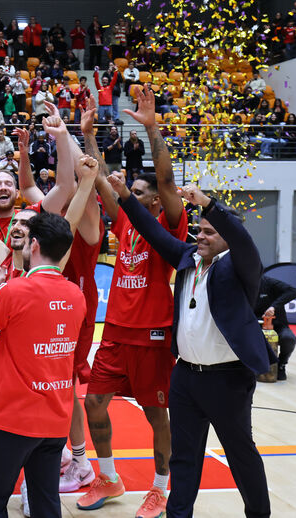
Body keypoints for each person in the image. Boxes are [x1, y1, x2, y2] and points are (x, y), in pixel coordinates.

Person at [107, 177, 274, 518]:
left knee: (240, 454)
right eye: (200, 229)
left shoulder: (243, 266)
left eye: (210, 231)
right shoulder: (187, 257)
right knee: (183, 456)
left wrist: (209, 203)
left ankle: (259, 514)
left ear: (226, 237)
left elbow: (242, 240)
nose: (201, 235)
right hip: (185, 377)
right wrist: (124, 195)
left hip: (228, 380)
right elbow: (153, 233)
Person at [80, 86, 189, 518]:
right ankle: (108, 477)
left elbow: (165, 181)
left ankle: (161, 488)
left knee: (155, 414)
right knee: (93, 404)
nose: (132, 194)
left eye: (140, 192)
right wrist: (89, 137)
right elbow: (101, 177)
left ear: (153, 201)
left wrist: (151, 129)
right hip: (117, 334)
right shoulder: (124, 221)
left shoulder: (170, 225)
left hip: (152, 334)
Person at [0, 210, 88, 518]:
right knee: (45, 502)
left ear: (33, 246)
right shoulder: (76, 295)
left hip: (13, 421)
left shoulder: (15, 290)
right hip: (55, 422)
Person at [255, 275, 296, 380]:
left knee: (289, 339)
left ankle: (281, 364)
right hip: (254, 326)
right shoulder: (242, 285)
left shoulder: (269, 283)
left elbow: (293, 291)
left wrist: (273, 306)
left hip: (277, 325)